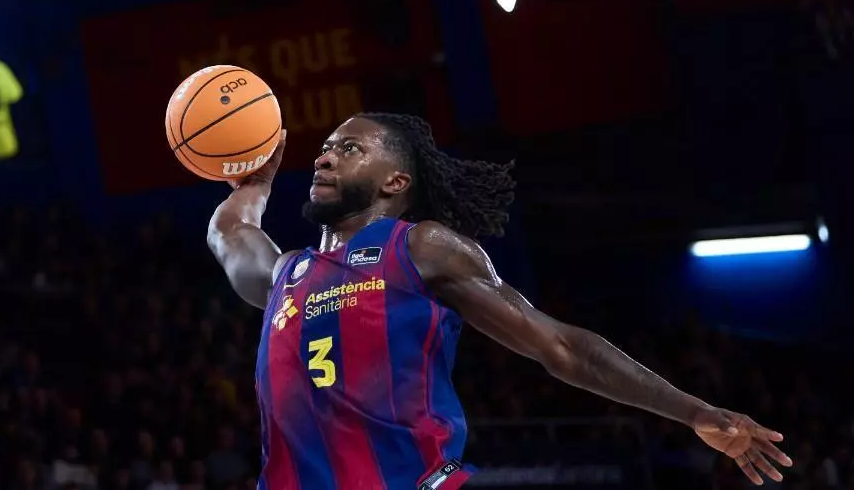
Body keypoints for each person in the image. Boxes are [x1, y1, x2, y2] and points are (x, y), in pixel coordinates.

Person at [206, 113, 791, 490]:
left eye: (349, 148)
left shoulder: (420, 247)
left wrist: (694, 412)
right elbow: (230, 233)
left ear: (395, 182)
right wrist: (256, 183)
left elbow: (561, 347)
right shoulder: (288, 273)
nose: (324, 156)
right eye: (326, 147)